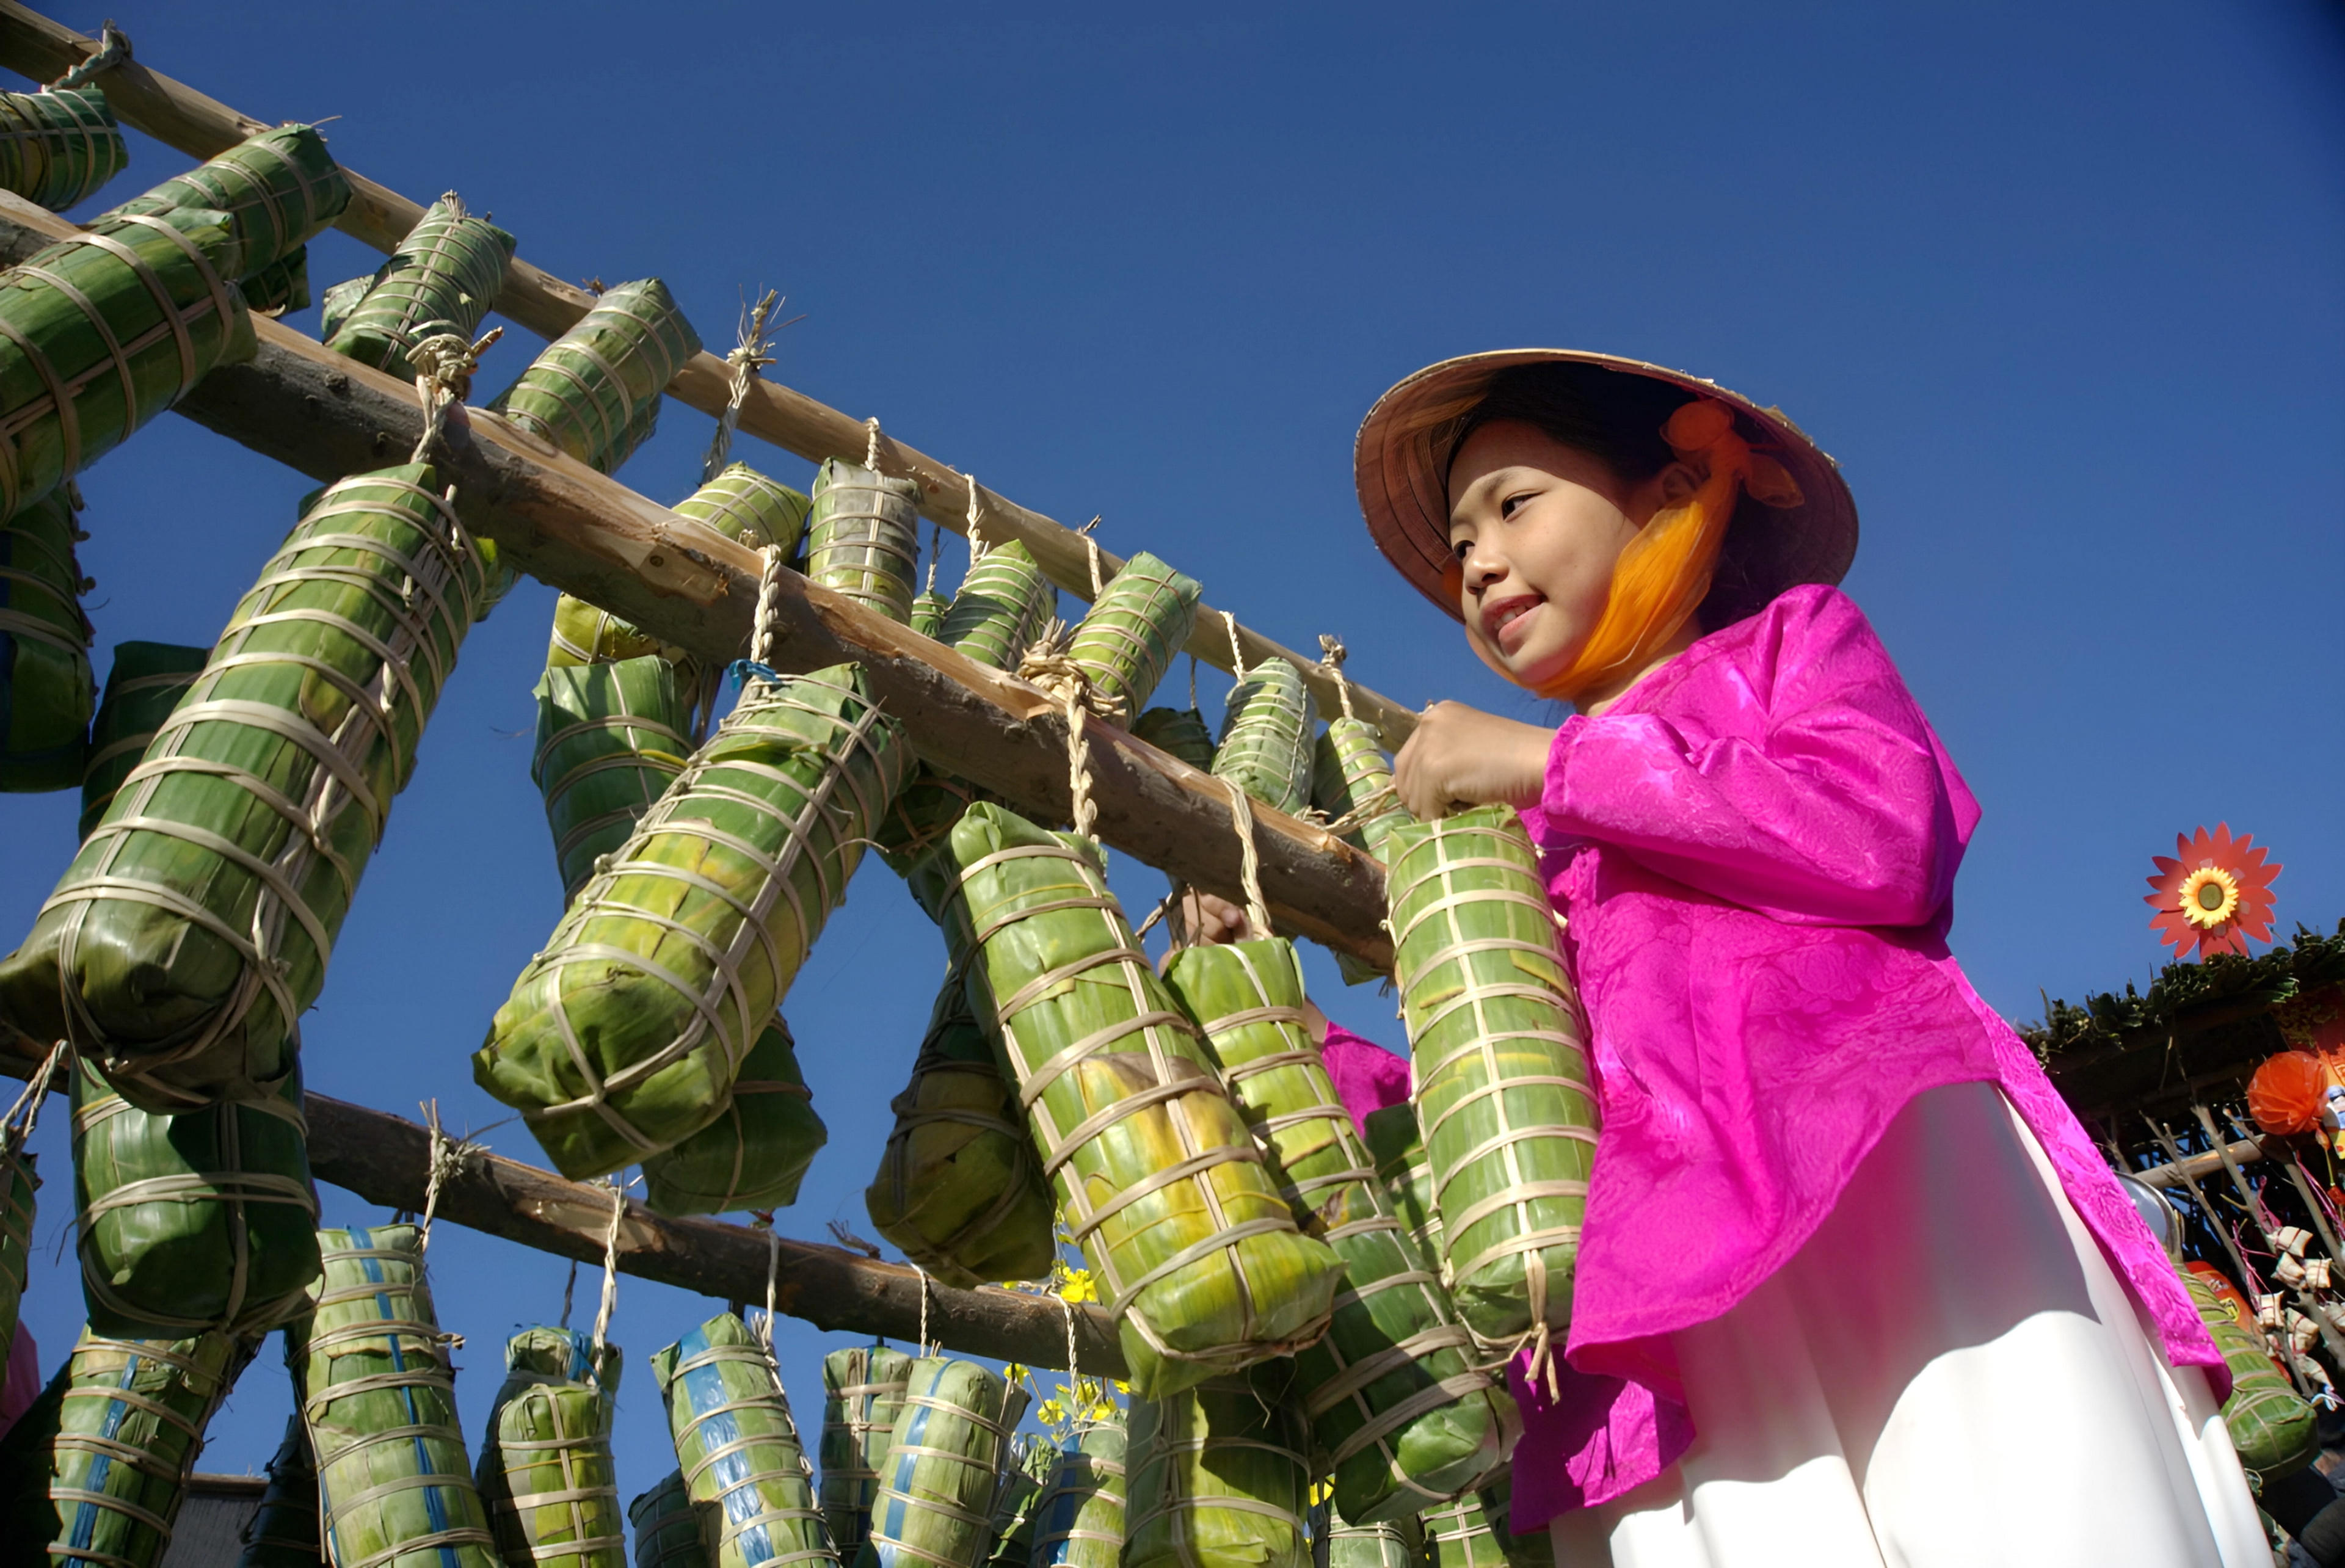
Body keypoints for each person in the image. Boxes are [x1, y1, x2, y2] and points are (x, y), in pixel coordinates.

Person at [1192, 351, 2269, 1566]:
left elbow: (1883, 838)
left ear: (1676, 489)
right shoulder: (1515, 853)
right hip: (1657, 1275)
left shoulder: (1791, 646)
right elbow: (1496, 1087)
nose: (1479, 564)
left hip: (1879, 1178)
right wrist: (1286, 1022)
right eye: (1460, 545)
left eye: (1514, 505)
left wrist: (1556, 764)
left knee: (2015, 1511)